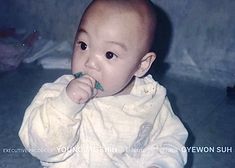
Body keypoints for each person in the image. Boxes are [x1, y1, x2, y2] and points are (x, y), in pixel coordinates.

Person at [19, 0, 188, 167]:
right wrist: (66, 105)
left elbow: (169, 143)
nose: (90, 63)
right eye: (84, 45)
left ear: (142, 64)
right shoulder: (58, 94)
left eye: (109, 54)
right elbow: (38, 146)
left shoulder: (151, 101)